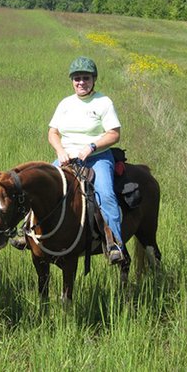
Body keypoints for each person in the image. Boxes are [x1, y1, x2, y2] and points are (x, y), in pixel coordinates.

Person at [48, 56, 124, 264]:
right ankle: (27, 233)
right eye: (77, 78)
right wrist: (59, 149)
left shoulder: (103, 102)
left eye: (86, 78)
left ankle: (114, 243)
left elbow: (114, 134)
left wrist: (91, 146)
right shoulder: (65, 104)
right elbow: (53, 132)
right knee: (42, 185)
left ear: (94, 80)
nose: (81, 82)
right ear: (72, 81)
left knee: (105, 195)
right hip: (67, 159)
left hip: (97, 158)